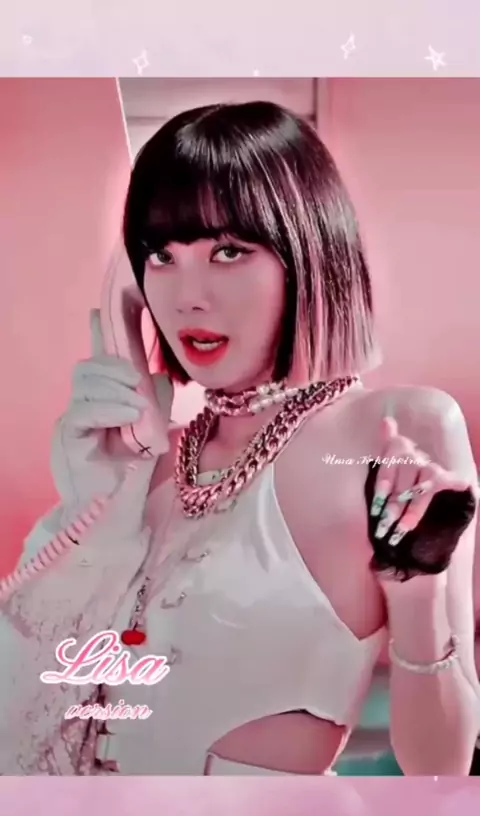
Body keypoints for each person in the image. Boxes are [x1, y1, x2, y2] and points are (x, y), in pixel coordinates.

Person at [0, 100, 479, 777]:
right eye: (161, 255)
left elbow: (441, 769)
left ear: (308, 252)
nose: (187, 297)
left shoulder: (393, 430)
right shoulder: (147, 463)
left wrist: (417, 586)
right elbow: (26, 707)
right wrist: (95, 502)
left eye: (228, 251)